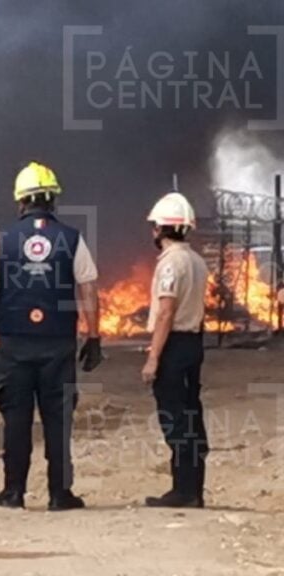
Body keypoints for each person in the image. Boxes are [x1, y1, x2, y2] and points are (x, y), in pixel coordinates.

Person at [0, 162, 103, 511]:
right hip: (58, 342)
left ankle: (13, 491)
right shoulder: (72, 239)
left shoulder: (0, 239)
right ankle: (60, 493)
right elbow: (88, 288)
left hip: (14, 343)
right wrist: (93, 336)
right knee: (58, 419)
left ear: (21, 203)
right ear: (52, 201)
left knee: (16, 418)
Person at [141, 192, 210, 508]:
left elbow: (166, 311)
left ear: (160, 229)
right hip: (193, 343)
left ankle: (183, 491)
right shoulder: (196, 260)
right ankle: (193, 488)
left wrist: (153, 357)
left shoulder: (171, 263)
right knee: (191, 412)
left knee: (175, 416)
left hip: (175, 346)